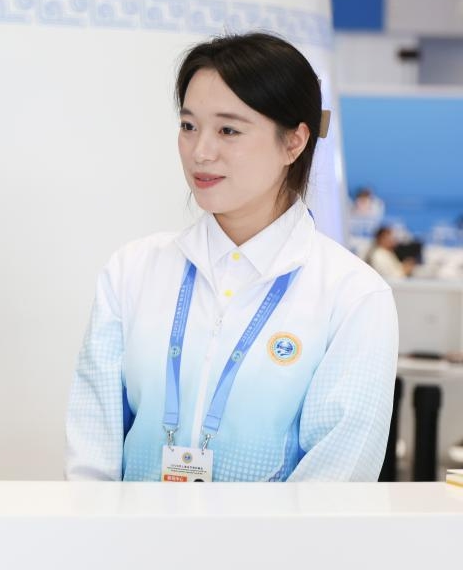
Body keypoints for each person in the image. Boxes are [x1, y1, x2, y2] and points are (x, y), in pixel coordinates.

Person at [66, 32, 397, 483]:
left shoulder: (351, 294)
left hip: (276, 554)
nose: (201, 151)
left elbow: (336, 477)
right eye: (188, 126)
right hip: (130, 549)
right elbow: (93, 451)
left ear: (294, 143)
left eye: (229, 130)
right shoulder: (133, 270)